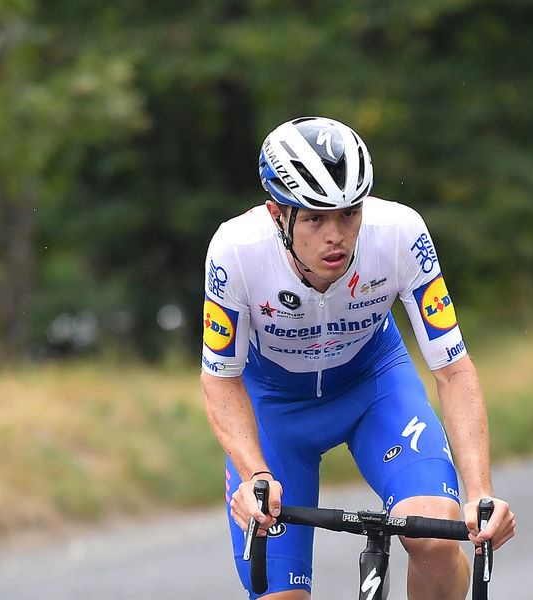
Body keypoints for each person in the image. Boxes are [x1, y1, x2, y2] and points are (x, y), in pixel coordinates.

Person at [201, 116, 515, 599]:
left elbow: (453, 370)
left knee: (434, 536)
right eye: (314, 218)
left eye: (349, 214)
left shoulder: (399, 232)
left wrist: (480, 492)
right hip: (276, 409)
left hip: (374, 388)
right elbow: (221, 379)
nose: (337, 236)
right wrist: (254, 475)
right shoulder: (236, 251)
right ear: (277, 214)